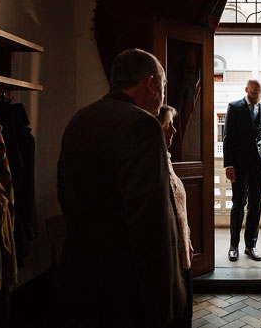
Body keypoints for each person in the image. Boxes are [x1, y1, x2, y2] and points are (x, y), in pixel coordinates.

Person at [56, 48, 185, 328]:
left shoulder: (80, 120)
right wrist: (162, 300)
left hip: (82, 274)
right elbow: (151, 220)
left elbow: (64, 190)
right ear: (149, 83)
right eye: (162, 85)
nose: (162, 94)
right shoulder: (143, 125)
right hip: (127, 284)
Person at [222, 79, 261, 262]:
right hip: (239, 165)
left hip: (260, 165)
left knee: (255, 207)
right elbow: (228, 137)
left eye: (259, 93)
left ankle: (251, 246)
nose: (256, 96)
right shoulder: (234, 107)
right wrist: (229, 165)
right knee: (238, 204)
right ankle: (233, 246)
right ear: (246, 90)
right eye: (253, 93)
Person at [157, 105, 193, 328]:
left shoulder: (166, 158)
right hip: (167, 253)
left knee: (184, 310)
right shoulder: (153, 162)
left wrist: (186, 237)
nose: (174, 131)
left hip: (180, 250)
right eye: (168, 125)